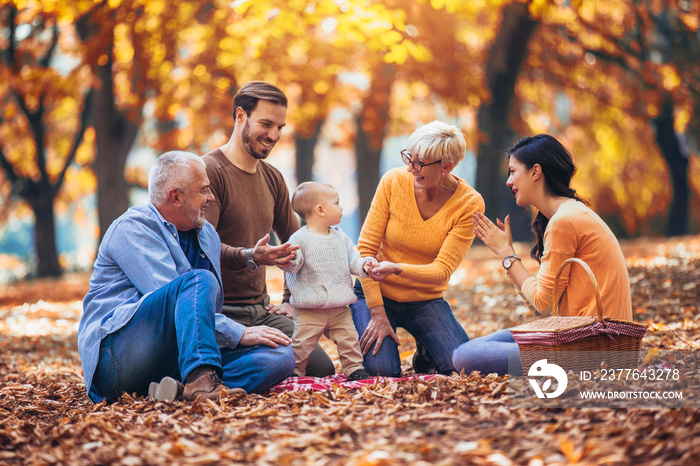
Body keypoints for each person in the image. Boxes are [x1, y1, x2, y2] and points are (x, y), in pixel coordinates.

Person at [78, 151, 295, 404]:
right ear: (176, 196)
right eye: (203, 190)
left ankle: (179, 390)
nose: (211, 198)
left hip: (176, 359)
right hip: (116, 359)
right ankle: (202, 382)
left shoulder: (207, 236)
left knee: (280, 356)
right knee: (199, 280)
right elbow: (178, 304)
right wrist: (239, 333)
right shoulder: (132, 228)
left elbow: (197, 319)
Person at [452, 134, 633, 376]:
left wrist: (507, 254)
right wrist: (509, 258)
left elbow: (543, 303)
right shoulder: (570, 214)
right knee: (467, 349)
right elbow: (544, 305)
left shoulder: (564, 221)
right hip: (581, 335)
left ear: (536, 172)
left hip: (592, 347)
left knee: (465, 356)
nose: (508, 181)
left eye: (513, 171)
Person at [202, 81, 335, 377]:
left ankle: (242, 363)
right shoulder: (209, 171)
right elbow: (201, 248)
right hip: (219, 315)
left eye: (280, 127)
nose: (274, 135)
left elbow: (297, 244)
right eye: (266, 124)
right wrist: (249, 255)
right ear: (240, 116)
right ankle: (201, 371)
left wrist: (290, 300)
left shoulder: (272, 178)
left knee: (320, 368)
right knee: (283, 362)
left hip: (263, 313)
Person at [349, 120, 485, 377]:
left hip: (424, 299)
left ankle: (426, 352)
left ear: (448, 165)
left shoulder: (469, 203)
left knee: (463, 368)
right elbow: (366, 248)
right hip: (374, 293)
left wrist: (397, 268)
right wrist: (377, 312)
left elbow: (442, 270)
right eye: (409, 158)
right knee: (383, 372)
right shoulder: (393, 181)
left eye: (420, 162)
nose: (411, 167)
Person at [286, 182, 378, 380]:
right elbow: (292, 266)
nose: (341, 207)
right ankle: (295, 371)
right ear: (320, 210)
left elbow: (352, 260)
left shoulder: (340, 237)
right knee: (302, 343)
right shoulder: (299, 239)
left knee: (349, 339)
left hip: (340, 307)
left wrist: (365, 265)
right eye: (336, 203)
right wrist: (287, 260)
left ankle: (354, 369)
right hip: (310, 309)